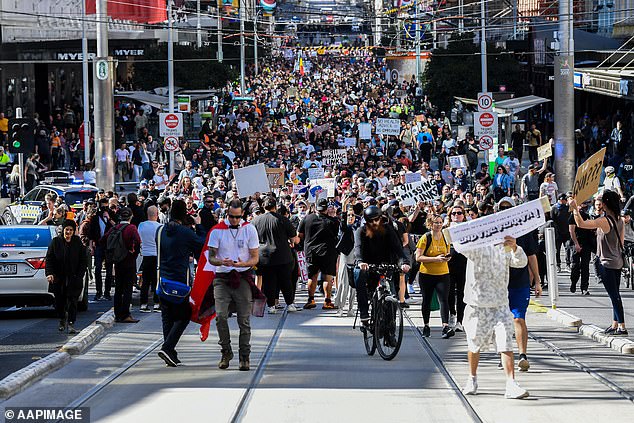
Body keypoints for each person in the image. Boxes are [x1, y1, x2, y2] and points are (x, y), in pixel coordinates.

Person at [461, 236, 530, 399]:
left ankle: (511, 383)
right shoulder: (475, 246)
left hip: (500, 304)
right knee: (474, 344)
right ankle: (472, 378)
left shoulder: (504, 247)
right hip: (477, 305)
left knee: (506, 342)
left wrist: (514, 248)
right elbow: (460, 247)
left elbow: (520, 262)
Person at [207, 200, 260, 371]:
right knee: (221, 316)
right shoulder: (217, 231)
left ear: (242, 215)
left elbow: (255, 257)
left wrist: (243, 264)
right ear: (226, 214)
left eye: (238, 217)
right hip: (222, 277)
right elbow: (211, 257)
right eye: (231, 217)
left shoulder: (249, 229)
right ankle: (226, 351)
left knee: (243, 319)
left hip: (243, 276)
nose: (235, 220)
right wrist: (222, 261)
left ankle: (244, 356)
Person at [569, 190, 628, 336]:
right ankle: (615, 324)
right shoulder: (620, 219)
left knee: (614, 296)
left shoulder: (604, 221)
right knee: (616, 294)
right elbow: (621, 242)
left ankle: (622, 326)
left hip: (606, 262)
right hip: (618, 261)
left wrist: (575, 208)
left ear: (606, 204)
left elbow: (581, 223)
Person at [156, 200, 206, 367]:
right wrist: (199, 225)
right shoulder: (185, 232)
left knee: (167, 317)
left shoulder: (160, 230)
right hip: (180, 282)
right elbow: (202, 244)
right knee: (184, 316)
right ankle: (168, 347)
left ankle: (170, 352)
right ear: (184, 213)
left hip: (163, 280)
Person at [497, 197, 541, 372]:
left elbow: (532, 256)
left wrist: (537, 281)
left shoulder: (524, 230)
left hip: (520, 282)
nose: (505, 210)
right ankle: (504, 354)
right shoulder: (493, 231)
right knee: (501, 321)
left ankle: (522, 355)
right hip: (498, 283)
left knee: (518, 318)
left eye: (508, 207)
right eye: (502, 208)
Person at [353, 205, 411, 325]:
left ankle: (391, 327)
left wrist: (404, 263)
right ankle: (364, 313)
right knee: (359, 275)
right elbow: (357, 249)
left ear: (381, 218)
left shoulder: (388, 230)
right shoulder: (360, 231)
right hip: (367, 266)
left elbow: (398, 249)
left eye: (376, 219)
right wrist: (360, 262)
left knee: (393, 296)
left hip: (387, 265)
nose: (374, 223)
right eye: (370, 220)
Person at [252, 196, 300, 313]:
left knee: (269, 282)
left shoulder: (255, 221)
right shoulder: (282, 219)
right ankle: (289, 304)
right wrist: (294, 241)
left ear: (263, 206)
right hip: (283, 255)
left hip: (264, 256)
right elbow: (294, 239)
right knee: (286, 281)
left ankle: (271, 306)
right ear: (275, 207)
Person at [45, 220, 88, 334]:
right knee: (60, 301)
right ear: (63, 230)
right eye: (66, 230)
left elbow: (83, 260)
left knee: (73, 301)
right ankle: (62, 318)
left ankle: (71, 323)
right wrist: (50, 273)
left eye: (71, 230)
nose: (68, 232)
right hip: (59, 277)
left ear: (74, 231)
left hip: (74, 277)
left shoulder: (77, 243)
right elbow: (49, 259)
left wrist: (80, 275)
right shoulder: (55, 242)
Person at [415, 213, 454, 339]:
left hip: (443, 273)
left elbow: (447, 252)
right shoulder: (425, 238)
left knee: (444, 300)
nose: (438, 225)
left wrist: (447, 257)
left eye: (440, 222)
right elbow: (418, 257)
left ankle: (445, 326)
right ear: (430, 224)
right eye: (436, 223)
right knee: (426, 300)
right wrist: (435, 259)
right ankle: (426, 325)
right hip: (426, 274)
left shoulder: (445, 237)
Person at [298, 198, 340, 310]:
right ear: (327, 209)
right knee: (327, 277)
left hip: (311, 251)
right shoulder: (333, 221)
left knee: (312, 276)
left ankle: (311, 299)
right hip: (328, 252)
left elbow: (299, 235)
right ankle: (327, 301)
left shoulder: (306, 219)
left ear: (315, 207)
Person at [103, 207, 141, 323]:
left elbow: (103, 240)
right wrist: (133, 253)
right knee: (128, 288)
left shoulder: (115, 228)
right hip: (129, 261)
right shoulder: (132, 228)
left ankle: (118, 313)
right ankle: (126, 314)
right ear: (131, 216)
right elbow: (138, 241)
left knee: (118, 289)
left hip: (117, 262)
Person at [447, 204, 468, 332]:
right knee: (449, 292)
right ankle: (452, 313)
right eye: (453, 213)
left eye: (459, 213)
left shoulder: (468, 228)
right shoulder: (446, 229)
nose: (456, 215)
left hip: (464, 265)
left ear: (463, 215)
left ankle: (460, 320)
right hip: (448, 266)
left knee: (462, 293)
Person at [138, 206, 162, 312]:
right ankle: (157, 303)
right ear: (157, 214)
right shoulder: (160, 227)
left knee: (145, 281)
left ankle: (143, 304)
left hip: (146, 255)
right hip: (157, 256)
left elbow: (139, 240)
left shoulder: (141, 225)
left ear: (147, 214)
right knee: (156, 281)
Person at [569, 199, 594, 295]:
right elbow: (571, 231)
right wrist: (576, 244)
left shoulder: (587, 216)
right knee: (575, 266)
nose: (583, 207)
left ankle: (584, 287)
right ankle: (573, 283)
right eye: (581, 204)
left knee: (585, 267)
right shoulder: (572, 216)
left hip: (586, 244)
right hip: (576, 244)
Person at [551, 193, 572, 272]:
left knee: (568, 248)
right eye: (564, 200)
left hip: (566, 232)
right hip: (558, 233)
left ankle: (568, 264)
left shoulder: (568, 208)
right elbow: (552, 220)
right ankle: (558, 265)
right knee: (557, 250)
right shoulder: (554, 208)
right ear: (560, 200)